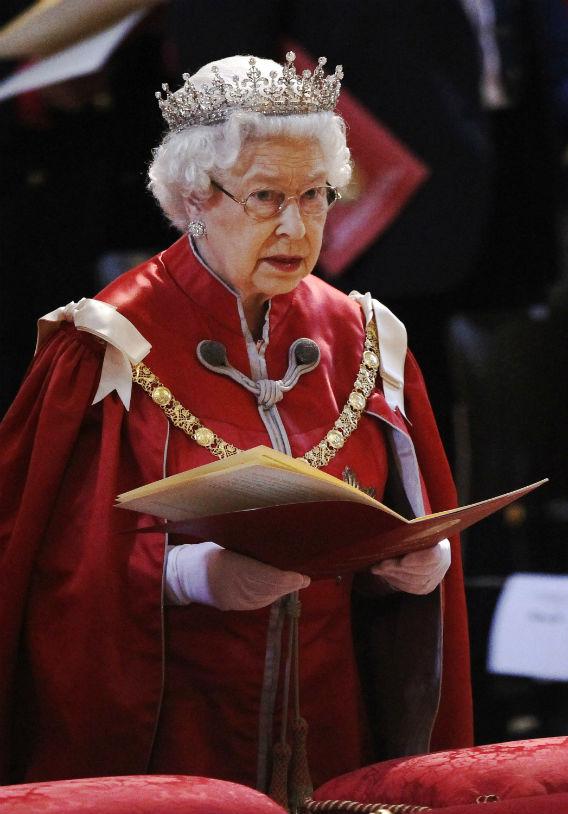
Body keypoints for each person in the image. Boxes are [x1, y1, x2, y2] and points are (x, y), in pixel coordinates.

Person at [0, 54, 472, 800]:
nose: (296, 225)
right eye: (265, 197)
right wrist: (194, 579)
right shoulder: (103, 349)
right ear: (193, 198)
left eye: (316, 196)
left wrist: (422, 566)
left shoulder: (369, 338)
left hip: (333, 725)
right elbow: (52, 568)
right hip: (176, 748)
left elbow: (414, 514)